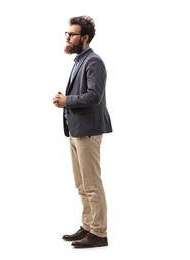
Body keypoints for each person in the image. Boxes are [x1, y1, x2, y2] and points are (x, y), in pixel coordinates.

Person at [53, 16, 112, 248]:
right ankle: (88, 226)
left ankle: (99, 233)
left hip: (88, 131)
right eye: (66, 34)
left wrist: (67, 100)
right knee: (81, 183)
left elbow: (94, 96)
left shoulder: (94, 61)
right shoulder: (79, 60)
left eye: (72, 34)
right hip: (76, 130)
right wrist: (66, 100)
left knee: (92, 184)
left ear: (84, 38)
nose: (68, 38)